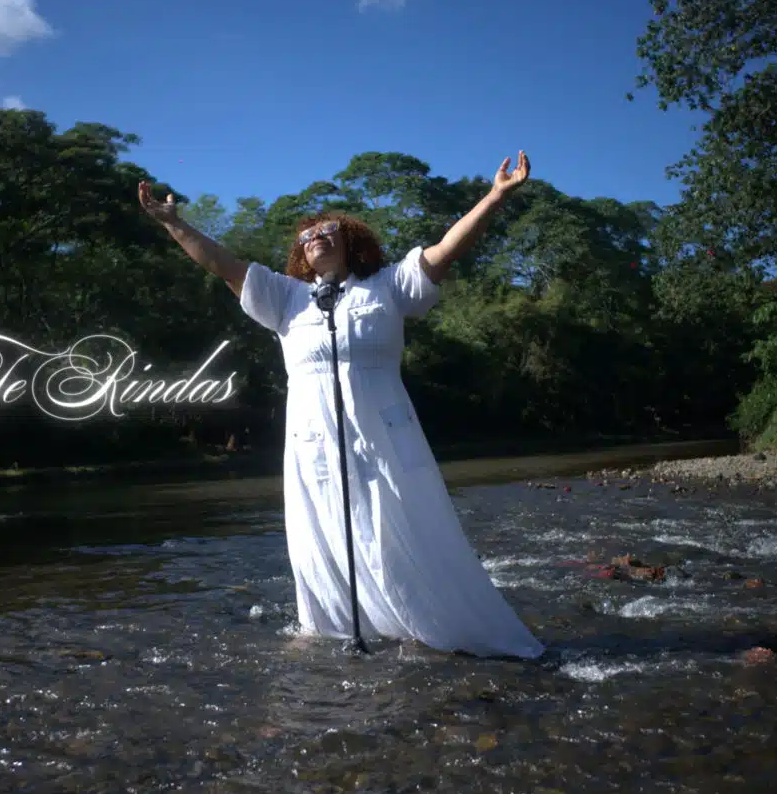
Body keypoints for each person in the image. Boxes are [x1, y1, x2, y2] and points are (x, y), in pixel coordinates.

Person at [138, 154, 544, 659]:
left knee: (397, 531)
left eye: (328, 231)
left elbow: (444, 252)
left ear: (350, 242)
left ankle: (423, 628)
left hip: (384, 437)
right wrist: (174, 225)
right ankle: (326, 626)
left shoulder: (388, 286)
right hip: (312, 443)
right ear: (301, 253)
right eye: (308, 236)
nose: (317, 238)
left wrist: (495, 197)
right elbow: (222, 264)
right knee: (320, 531)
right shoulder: (286, 298)